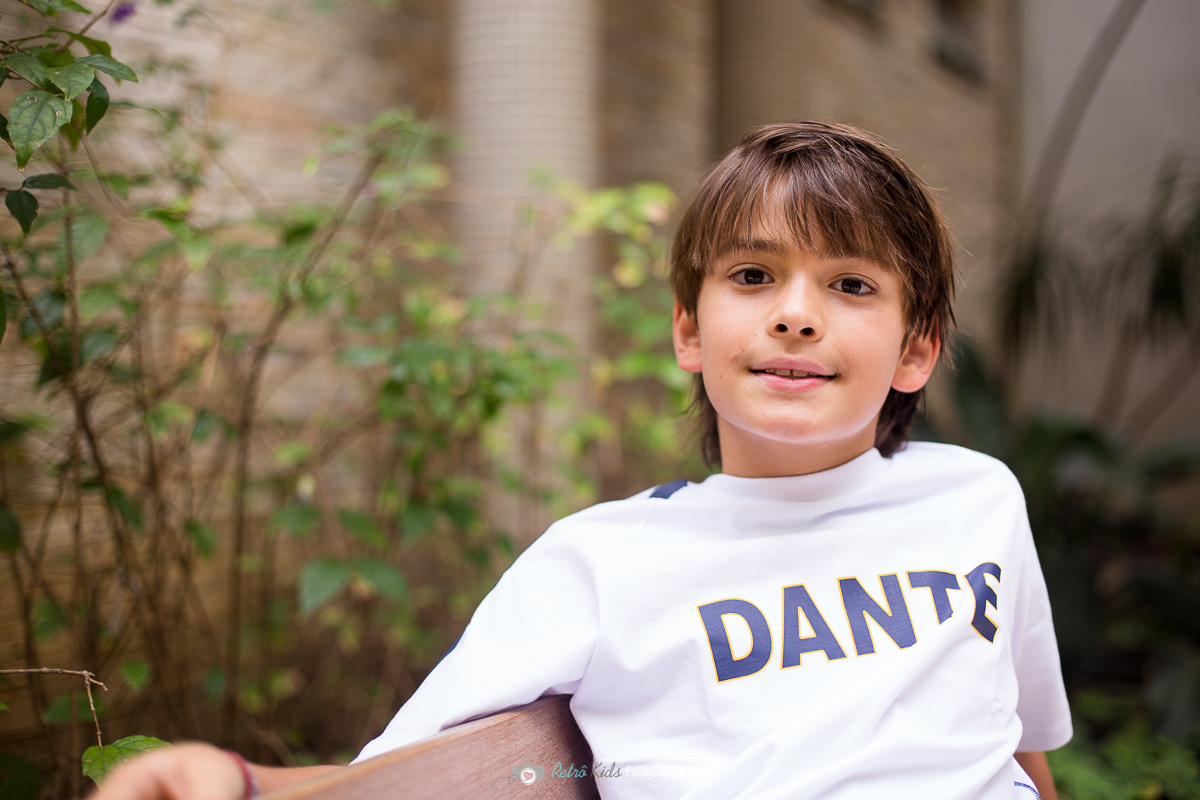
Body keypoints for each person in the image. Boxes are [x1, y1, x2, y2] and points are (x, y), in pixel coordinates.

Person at [93, 121, 1071, 800]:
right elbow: (410, 772)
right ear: (690, 329)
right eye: (752, 274)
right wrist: (242, 778)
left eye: (850, 282)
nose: (795, 310)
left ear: (918, 348)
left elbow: (1017, 750)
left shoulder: (976, 497)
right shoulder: (599, 560)